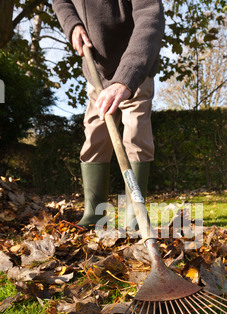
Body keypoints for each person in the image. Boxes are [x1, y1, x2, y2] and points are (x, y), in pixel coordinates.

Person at [52, 0, 165, 229]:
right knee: (95, 136)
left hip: (135, 68)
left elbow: (150, 16)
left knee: (135, 133)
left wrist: (126, 78)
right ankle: (95, 214)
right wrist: (71, 24)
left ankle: (135, 215)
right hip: (97, 70)